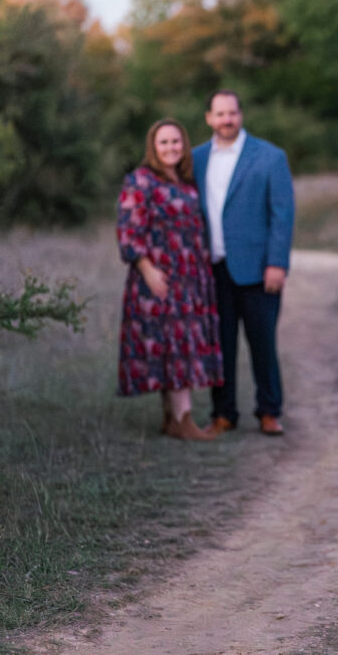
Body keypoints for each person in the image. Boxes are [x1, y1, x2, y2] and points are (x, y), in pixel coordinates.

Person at [192, 89, 295, 437]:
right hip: (213, 269)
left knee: (262, 342)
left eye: (232, 113)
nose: (226, 120)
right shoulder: (196, 159)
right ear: (209, 118)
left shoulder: (269, 157)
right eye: (219, 114)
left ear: (241, 115)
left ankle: (269, 411)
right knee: (219, 345)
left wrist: (277, 263)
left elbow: (282, 214)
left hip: (259, 269)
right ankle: (223, 414)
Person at [116, 118, 223, 440]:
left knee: (177, 344)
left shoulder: (187, 182)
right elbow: (128, 231)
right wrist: (148, 270)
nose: (170, 148)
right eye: (163, 142)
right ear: (153, 147)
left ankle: (172, 419)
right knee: (175, 345)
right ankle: (184, 419)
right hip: (160, 276)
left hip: (190, 276)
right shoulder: (141, 181)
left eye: (176, 142)